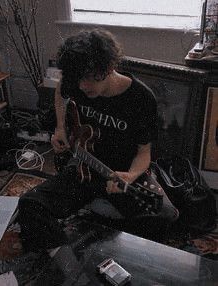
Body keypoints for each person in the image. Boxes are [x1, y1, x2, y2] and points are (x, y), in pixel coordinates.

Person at [18, 28, 179, 252]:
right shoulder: (75, 80)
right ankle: (65, 266)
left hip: (121, 174)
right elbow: (60, 91)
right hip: (84, 167)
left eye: (89, 77)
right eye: (78, 79)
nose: (83, 86)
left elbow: (144, 153)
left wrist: (131, 176)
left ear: (109, 67)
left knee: (164, 216)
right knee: (30, 204)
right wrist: (61, 128)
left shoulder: (141, 99)